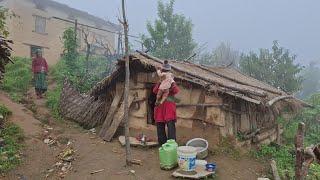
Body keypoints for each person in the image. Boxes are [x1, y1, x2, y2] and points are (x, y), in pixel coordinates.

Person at [153, 61, 180, 146]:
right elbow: (154, 91)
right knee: (160, 125)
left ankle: (171, 145)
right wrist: (160, 82)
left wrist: (172, 82)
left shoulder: (171, 82)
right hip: (160, 107)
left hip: (169, 106)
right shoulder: (160, 81)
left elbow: (176, 91)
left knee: (170, 125)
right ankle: (162, 144)